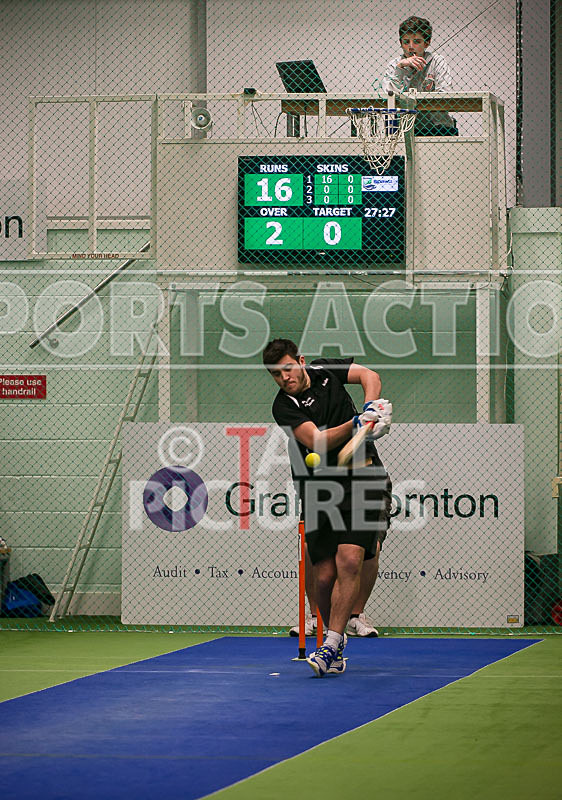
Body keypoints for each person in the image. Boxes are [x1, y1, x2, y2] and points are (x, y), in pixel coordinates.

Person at [263, 339, 392, 677]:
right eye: (276, 374)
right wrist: (360, 423)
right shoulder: (283, 406)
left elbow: (369, 375)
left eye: (288, 369)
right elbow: (317, 441)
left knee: (350, 559)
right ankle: (335, 637)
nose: (284, 378)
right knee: (322, 578)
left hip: (361, 476)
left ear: (301, 361)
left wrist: (372, 407)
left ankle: (332, 643)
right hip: (320, 487)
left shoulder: (325, 370)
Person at [381, 15, 458, 136]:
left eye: (417, 41)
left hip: (439, 127)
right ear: (401, 43)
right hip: (404, 128)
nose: (411, 47)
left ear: (427, 43)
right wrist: (400, 68)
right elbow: (389, 95)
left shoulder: (437, 61)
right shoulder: (395, 64)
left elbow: (445, 93)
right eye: (406, 42)